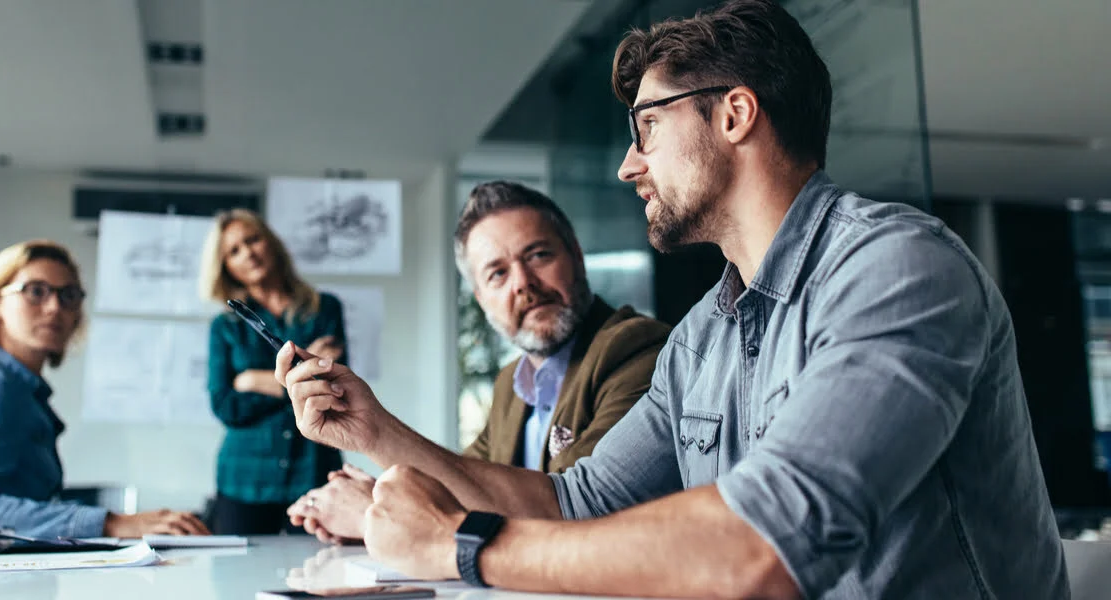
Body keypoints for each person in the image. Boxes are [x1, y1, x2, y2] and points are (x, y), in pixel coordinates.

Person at [275, 1, 1069, 597]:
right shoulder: (701, 339)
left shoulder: (897, 269)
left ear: (734, 113)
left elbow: (765, 546)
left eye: (646, 127)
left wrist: (462, 544)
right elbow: (573, 501)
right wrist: (372, 429)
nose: (628, 165)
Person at [286, 182, 671, 543]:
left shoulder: (637, 349)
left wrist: (375, 511)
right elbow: (462, 485)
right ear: (481, 297)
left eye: (538, 255)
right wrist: (382, 496)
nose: (522, 283)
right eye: (497, 273)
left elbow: (571, 513)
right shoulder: (512, 383)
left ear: (576, 254)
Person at [0, 240, 209, 538]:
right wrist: (110, 523)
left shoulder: (21, 391)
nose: (55, 307)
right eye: (35, 292)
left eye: (68, 296)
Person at [200, 208, 346, 535]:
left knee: (319, 573)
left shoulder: (325, 309)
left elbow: (332, 389)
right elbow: (225, 405)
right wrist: (297, 381)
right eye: (234, 251)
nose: (248, 253)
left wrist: (252, 380)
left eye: (253, 240)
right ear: (225, 267)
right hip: (244, 479)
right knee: (237, 581)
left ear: (271, 243)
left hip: (312, 471)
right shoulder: (225, 327)